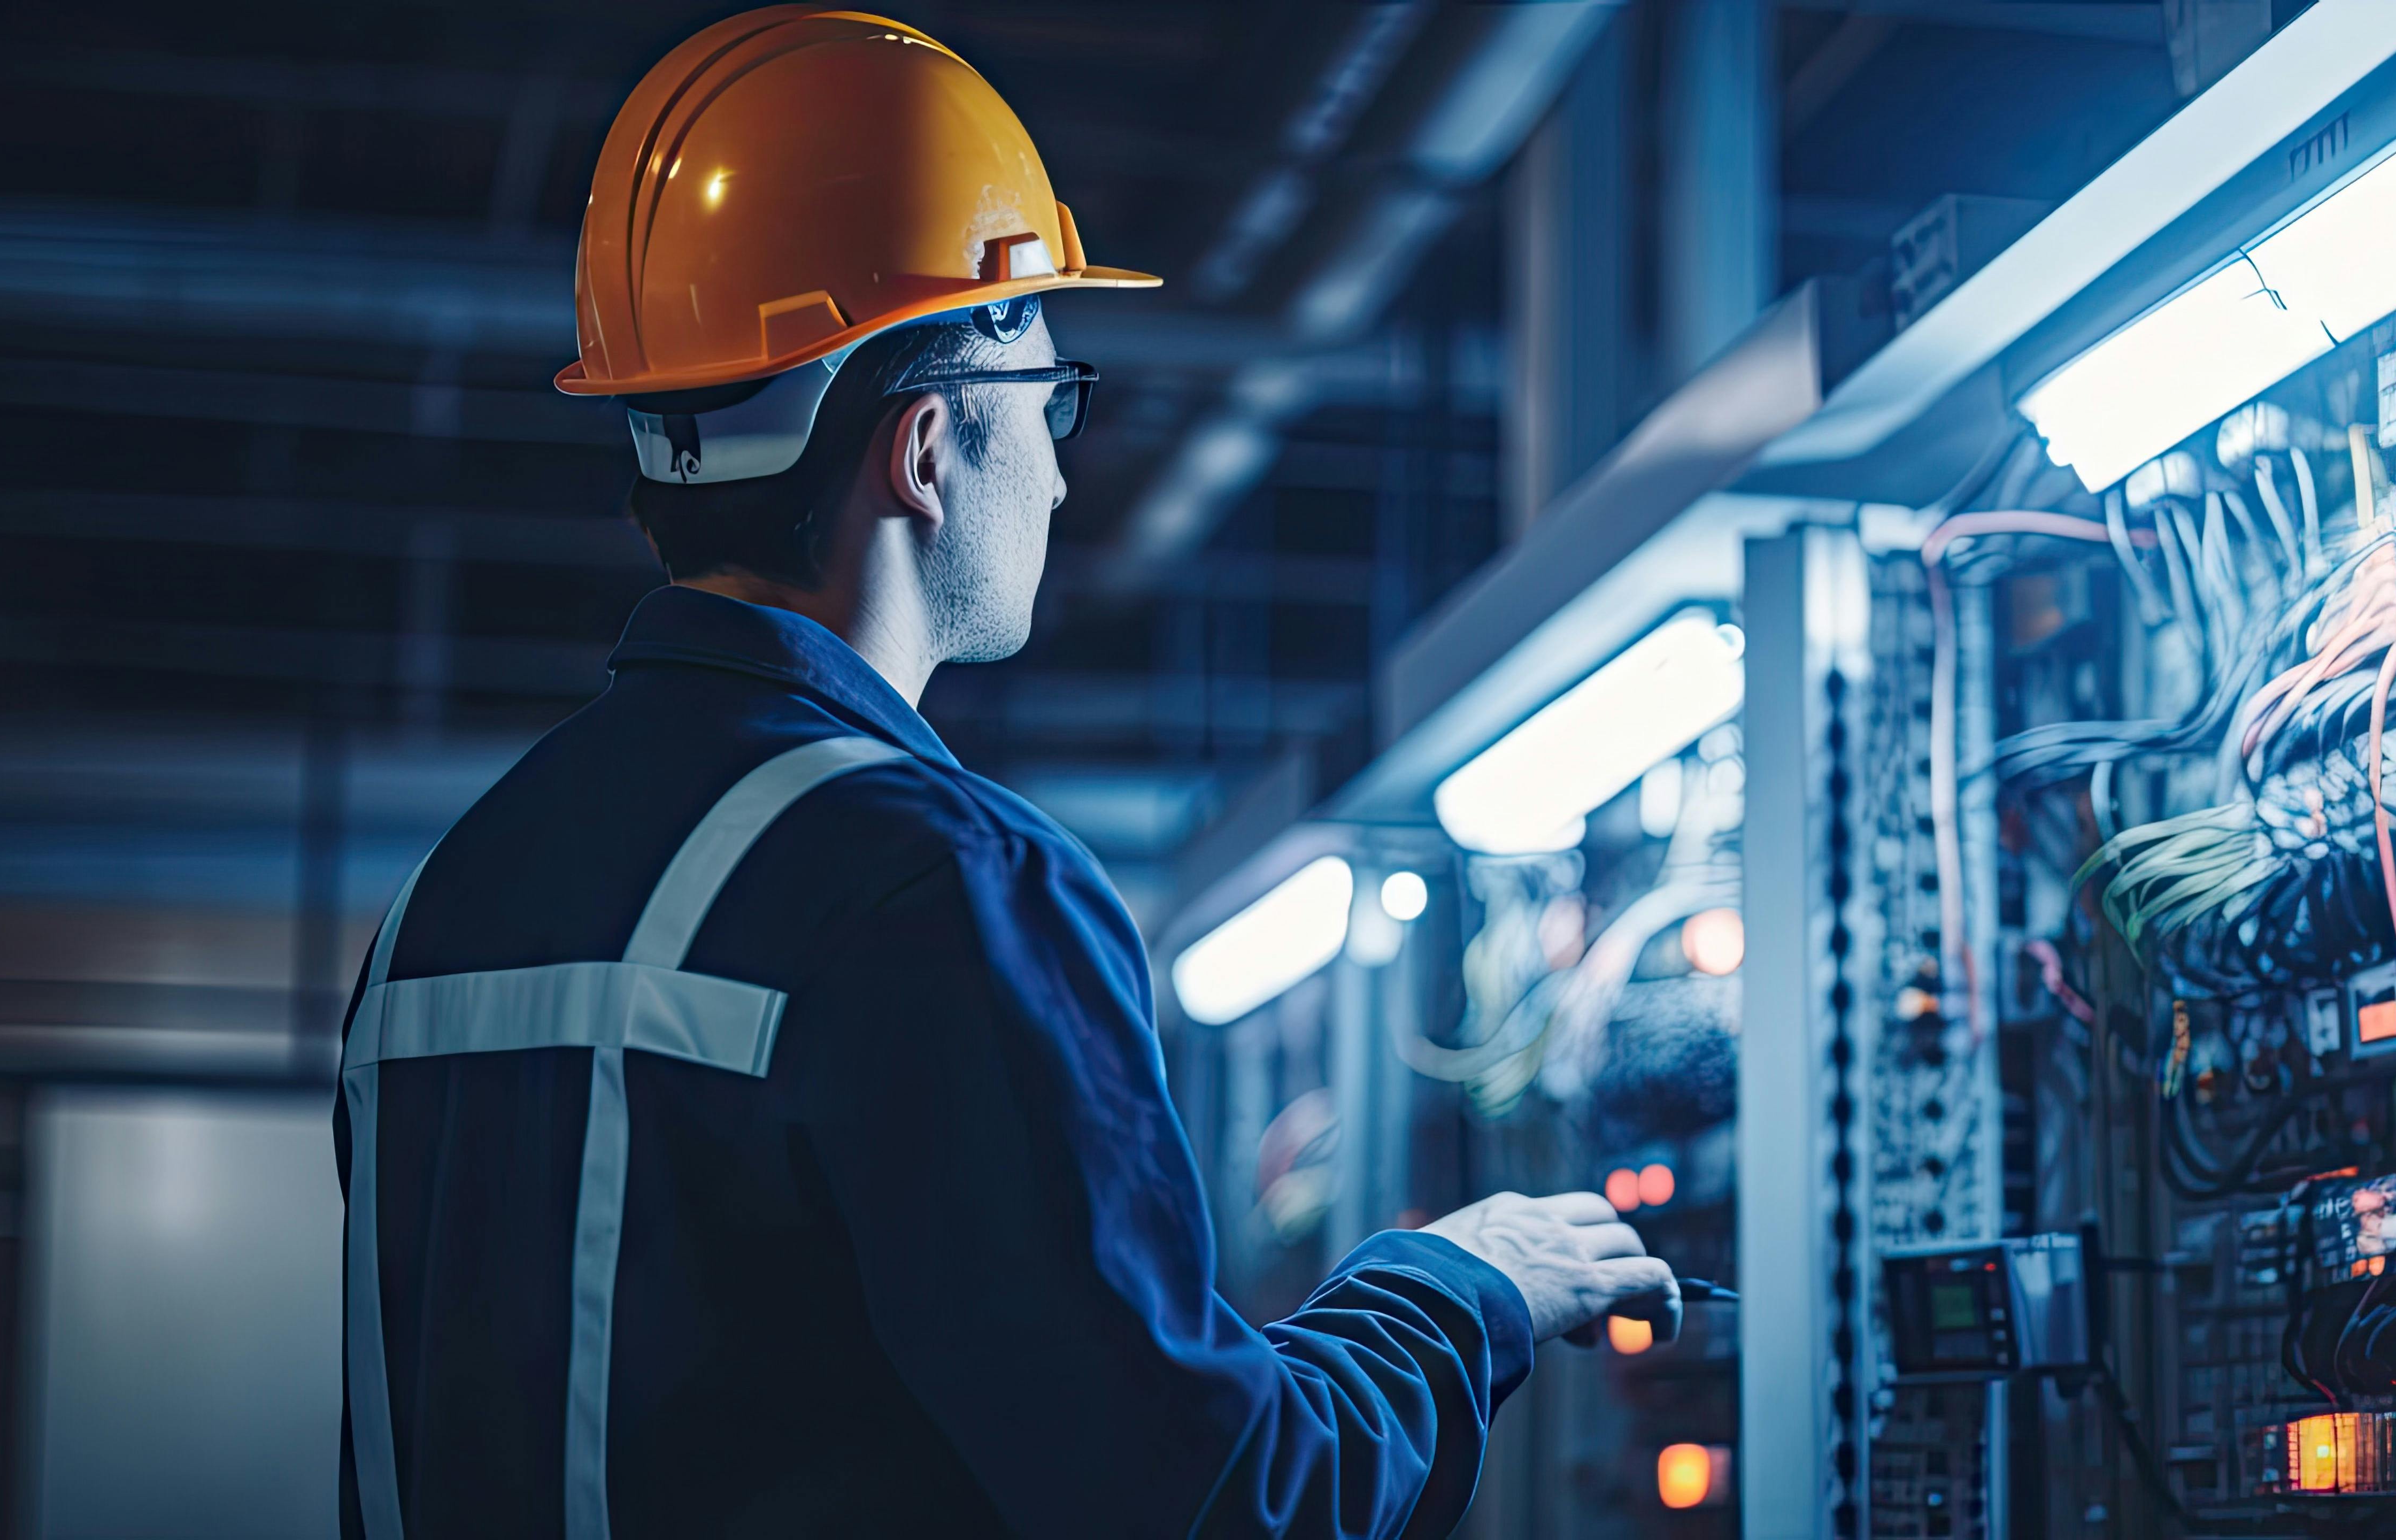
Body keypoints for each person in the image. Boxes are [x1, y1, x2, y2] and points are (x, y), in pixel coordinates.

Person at [333, 10, 1674, 1538]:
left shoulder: (442, 909)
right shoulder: (935, 882)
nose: (1058, 464)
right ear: (923, 451)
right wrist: (1455, 1291)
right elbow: (1224, 1506)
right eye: (1052, 396)